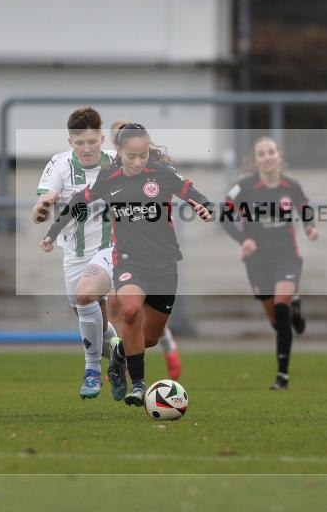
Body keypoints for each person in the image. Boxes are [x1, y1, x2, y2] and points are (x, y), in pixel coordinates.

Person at [42, 123, 212, 406]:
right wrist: (52, 233)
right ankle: (139, 385)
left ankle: (119, 354)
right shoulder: (110, 179)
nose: (137, 161)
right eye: (131, 155)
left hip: (164, 264)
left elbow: (190, 191)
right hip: (128, 260)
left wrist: (204, 205)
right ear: (119, 151)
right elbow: (76, 202)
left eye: (143, 155)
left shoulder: (161, 174)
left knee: (150, 338)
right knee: (130, 312)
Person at [32, 107, 121, 399]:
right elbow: (38, 215)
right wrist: (44, 205)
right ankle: (119, 352)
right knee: (89, 316)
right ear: (70, 142)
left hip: (111, 248)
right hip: (74, 251)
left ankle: (92, 369)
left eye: (92, 142)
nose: (86, 148)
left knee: (86, 298)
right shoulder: (58, 165)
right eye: (80, 142)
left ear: (102, 139)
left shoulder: (117, 164)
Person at [220, 136, 318, 390]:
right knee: (277, 320)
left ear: (278, 155)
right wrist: (244, 240)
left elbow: (304, 206)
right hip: (257, 260)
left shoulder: (291, 186)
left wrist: (309, 228)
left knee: (281, 308)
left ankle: (282, 375)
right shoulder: (244, 187)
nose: (267, 157)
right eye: (261, 154)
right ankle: (294, 308)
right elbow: (223, 214)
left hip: (287, 256)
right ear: (256, 160)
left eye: (271, 152)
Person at [109, 120, 182, 380]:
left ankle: (124, 351)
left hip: (160, 260)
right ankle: (135, 381)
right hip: (124, 255)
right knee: (125, 309)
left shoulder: (158, 171)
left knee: (148, 335)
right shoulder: (109, 171)